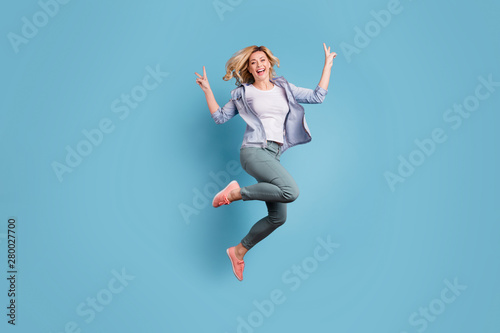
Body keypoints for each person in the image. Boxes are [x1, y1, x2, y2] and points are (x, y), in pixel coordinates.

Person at [194, 43, 336, 281]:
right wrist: (208, 90)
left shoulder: (284, 88)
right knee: (291, 191)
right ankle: (235, 193)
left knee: (278, 218)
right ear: (249, 69)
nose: (258, 65)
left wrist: (328, 65)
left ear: (269, 63)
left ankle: (238, 251)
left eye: (262, 60)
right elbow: (220, 117)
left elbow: (317, 96)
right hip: (254, 151)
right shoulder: (244, 93)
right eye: (253, 62)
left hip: (274, 155)